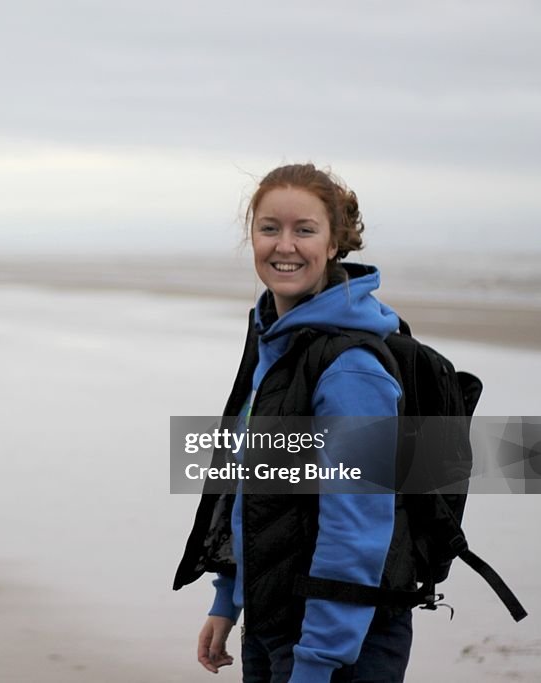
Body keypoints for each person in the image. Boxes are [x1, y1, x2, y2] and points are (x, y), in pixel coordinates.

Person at [175, 164, 415, 681]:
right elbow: (255, 489)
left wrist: (318, 659)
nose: (285, 245)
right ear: (252, 237)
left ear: (334, 244)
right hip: (277, 619)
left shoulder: (350, 369)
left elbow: (356, 526)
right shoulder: (278, 341)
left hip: (339, 641)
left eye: (305, 230)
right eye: (269, 228)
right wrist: (229, 599)